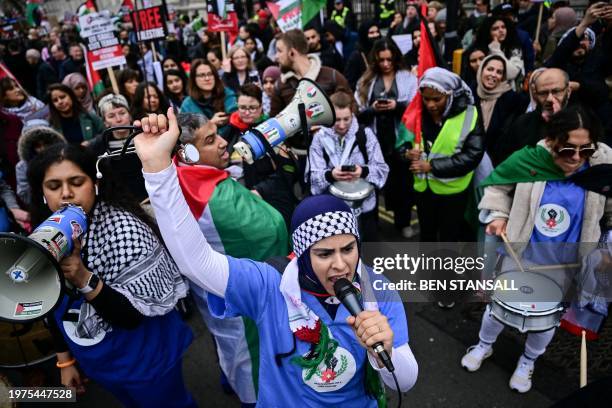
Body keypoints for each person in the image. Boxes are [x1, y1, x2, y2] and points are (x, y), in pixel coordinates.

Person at [132, 108, 419, 406]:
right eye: (324, 253)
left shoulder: (377, 288)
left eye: (348, 249)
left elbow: (406, 380)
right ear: (303, 255)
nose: (340, 264)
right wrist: (156, 167)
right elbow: (194, 261)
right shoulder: (270, 285)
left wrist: (385, 351)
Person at [27, 143, 195, 407]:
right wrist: (65, 360)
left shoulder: (125, 230)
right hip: (101, 363)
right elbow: (49, 305)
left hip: (147, 361)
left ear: (94, 184)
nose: (66, 194)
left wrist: (82, 277)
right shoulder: (43, 235)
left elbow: (131, 317)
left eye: (76, 182)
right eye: (54, 186)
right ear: (43, 193)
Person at [462, 104, 612, 393]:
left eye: (586, 150)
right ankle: (484, 345)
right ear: (552, 141)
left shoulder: (603, 167)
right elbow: (497, 188)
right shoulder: (531, 159)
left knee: (546, 320)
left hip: (567, 264)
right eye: (567, 150)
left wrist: (607, 250)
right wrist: (498, 214)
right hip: (521, 255)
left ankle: (528, 361)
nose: (576, 158)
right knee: (497, 309)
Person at [174, 112, 290, 406]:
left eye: (218, 133)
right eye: (211, 140)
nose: (225, 143)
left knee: (228, 345)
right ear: (186, 153)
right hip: (241, 303)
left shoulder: (180, 174)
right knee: (250, 355)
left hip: (214, 295)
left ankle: (231, 381)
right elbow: (273, 227)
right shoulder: (216, 200)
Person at [407, 67, 484, 242]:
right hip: (423, 190)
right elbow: (401, 143)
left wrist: (432, 166)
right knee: (427, 235)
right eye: (426, 99)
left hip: (453, 193)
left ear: (451, 95)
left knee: (449, 237)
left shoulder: (470, 114)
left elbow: (473, 155)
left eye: (437, 99)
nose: (431, 105)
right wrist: (406, 154)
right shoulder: (417, 112)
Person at [355, 38, 418, 237]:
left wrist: (396, 106)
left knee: (403, 183)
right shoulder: (366, 80)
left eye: (389, 59)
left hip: (400, 140)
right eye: (381, 60)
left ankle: (403, 221)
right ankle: (373, 224)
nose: (385, 64)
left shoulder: (407, 77)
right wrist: (373, 109)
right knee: (373, 182)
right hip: (375, 139)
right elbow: (358, 112)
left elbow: (415, 107)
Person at [309, 91, 389, 241]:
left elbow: (382, 169)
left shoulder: (366, 134)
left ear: (353, 113)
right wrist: (330, 175)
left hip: (364, 207)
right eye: (337, 119)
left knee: (368, 253)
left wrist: (363, 171)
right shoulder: (319, 138)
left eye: (346, 119)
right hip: (332, 210)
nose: (341, 125)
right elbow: (313, 177)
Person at [270, 29, 351, 151]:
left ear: (292, 53)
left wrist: (327, 127)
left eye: (280, 51)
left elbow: (352, 110)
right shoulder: (280, 85)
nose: (276, 56)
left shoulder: (332, 76)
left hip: (335, 154)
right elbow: (275, 125)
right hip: (299, 156)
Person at [496, 68, 572, 163]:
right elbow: (506, 162)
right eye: (543, 93)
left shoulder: (582, 123)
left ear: (568, 91)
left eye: (556, 91)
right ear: (535, 95)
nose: (549, 98)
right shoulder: (522, 124)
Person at [88, 93, 149, 202]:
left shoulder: (145, 136)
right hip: (120, 201)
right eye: (111, 116)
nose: (119, 119)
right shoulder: (97, 146)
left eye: (122, 113)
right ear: (105, 122)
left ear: (130, 115)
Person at [474, 54, 528, 165]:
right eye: (490, 69)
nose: (493, 75)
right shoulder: (469, 94)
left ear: (503, 77)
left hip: (495, 161)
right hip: (469, 157)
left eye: (499, 72)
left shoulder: (513, 100)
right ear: (481, 70)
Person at [180, 59, 237, 137]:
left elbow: (235, 112)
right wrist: (210, 123)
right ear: (194, 79)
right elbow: (187, 134)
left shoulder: (226, 93)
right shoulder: (187, 104)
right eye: (202, 75)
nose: (207, 78)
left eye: (210, 74)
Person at [16, 125, 66, 206]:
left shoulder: (64, 159)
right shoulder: (22, 167)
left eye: (46, 144)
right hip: (40, 208)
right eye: (38, 146)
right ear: (30, 147)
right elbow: (25, 195)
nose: (43, 149)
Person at [474, 16, 525, 87]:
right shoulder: (480, 50)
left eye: (503, 27)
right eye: (495, 29)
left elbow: (511, 74)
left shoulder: (514, 48)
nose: (501, 30)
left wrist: (496, 50)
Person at [344, 20, 381, 90]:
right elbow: (350, 82)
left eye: (377, 32)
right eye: (371, 33)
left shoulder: (381, 51)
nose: (375, 35)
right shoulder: (357, 56)